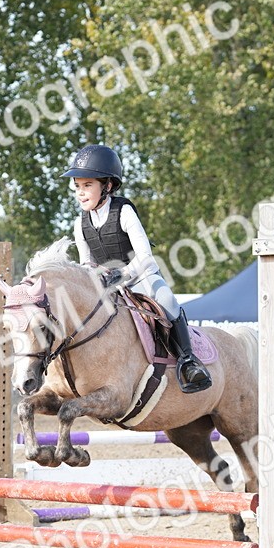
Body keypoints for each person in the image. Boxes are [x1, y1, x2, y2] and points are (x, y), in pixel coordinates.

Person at [61, 143, 211, 393]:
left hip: (140, 276)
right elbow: (86, 261)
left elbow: (146, 257)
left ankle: (188, 361)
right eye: (78, 186)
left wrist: (124, 274)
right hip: (107, 284)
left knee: (168, 301)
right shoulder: (80, 223)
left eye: (88, 185)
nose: (80, 192)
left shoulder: (124, 211)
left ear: (107, 186)